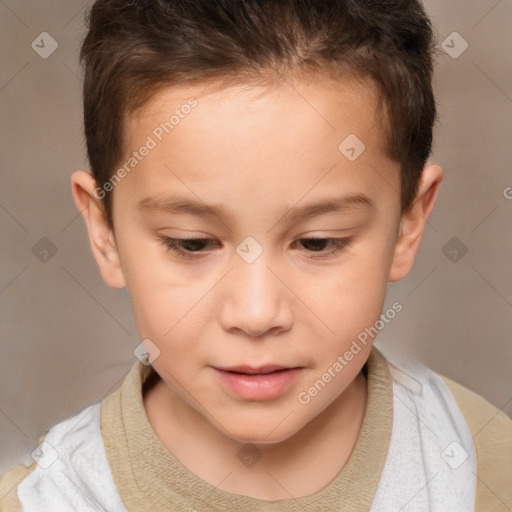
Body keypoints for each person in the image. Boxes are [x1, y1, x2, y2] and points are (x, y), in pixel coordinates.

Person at [1, 1, 510, 510]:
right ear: (105, 231)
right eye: (191, 243)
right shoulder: (46, 499)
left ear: (407, 224)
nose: (256, 313)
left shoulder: (480, 468)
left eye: (319, 242)